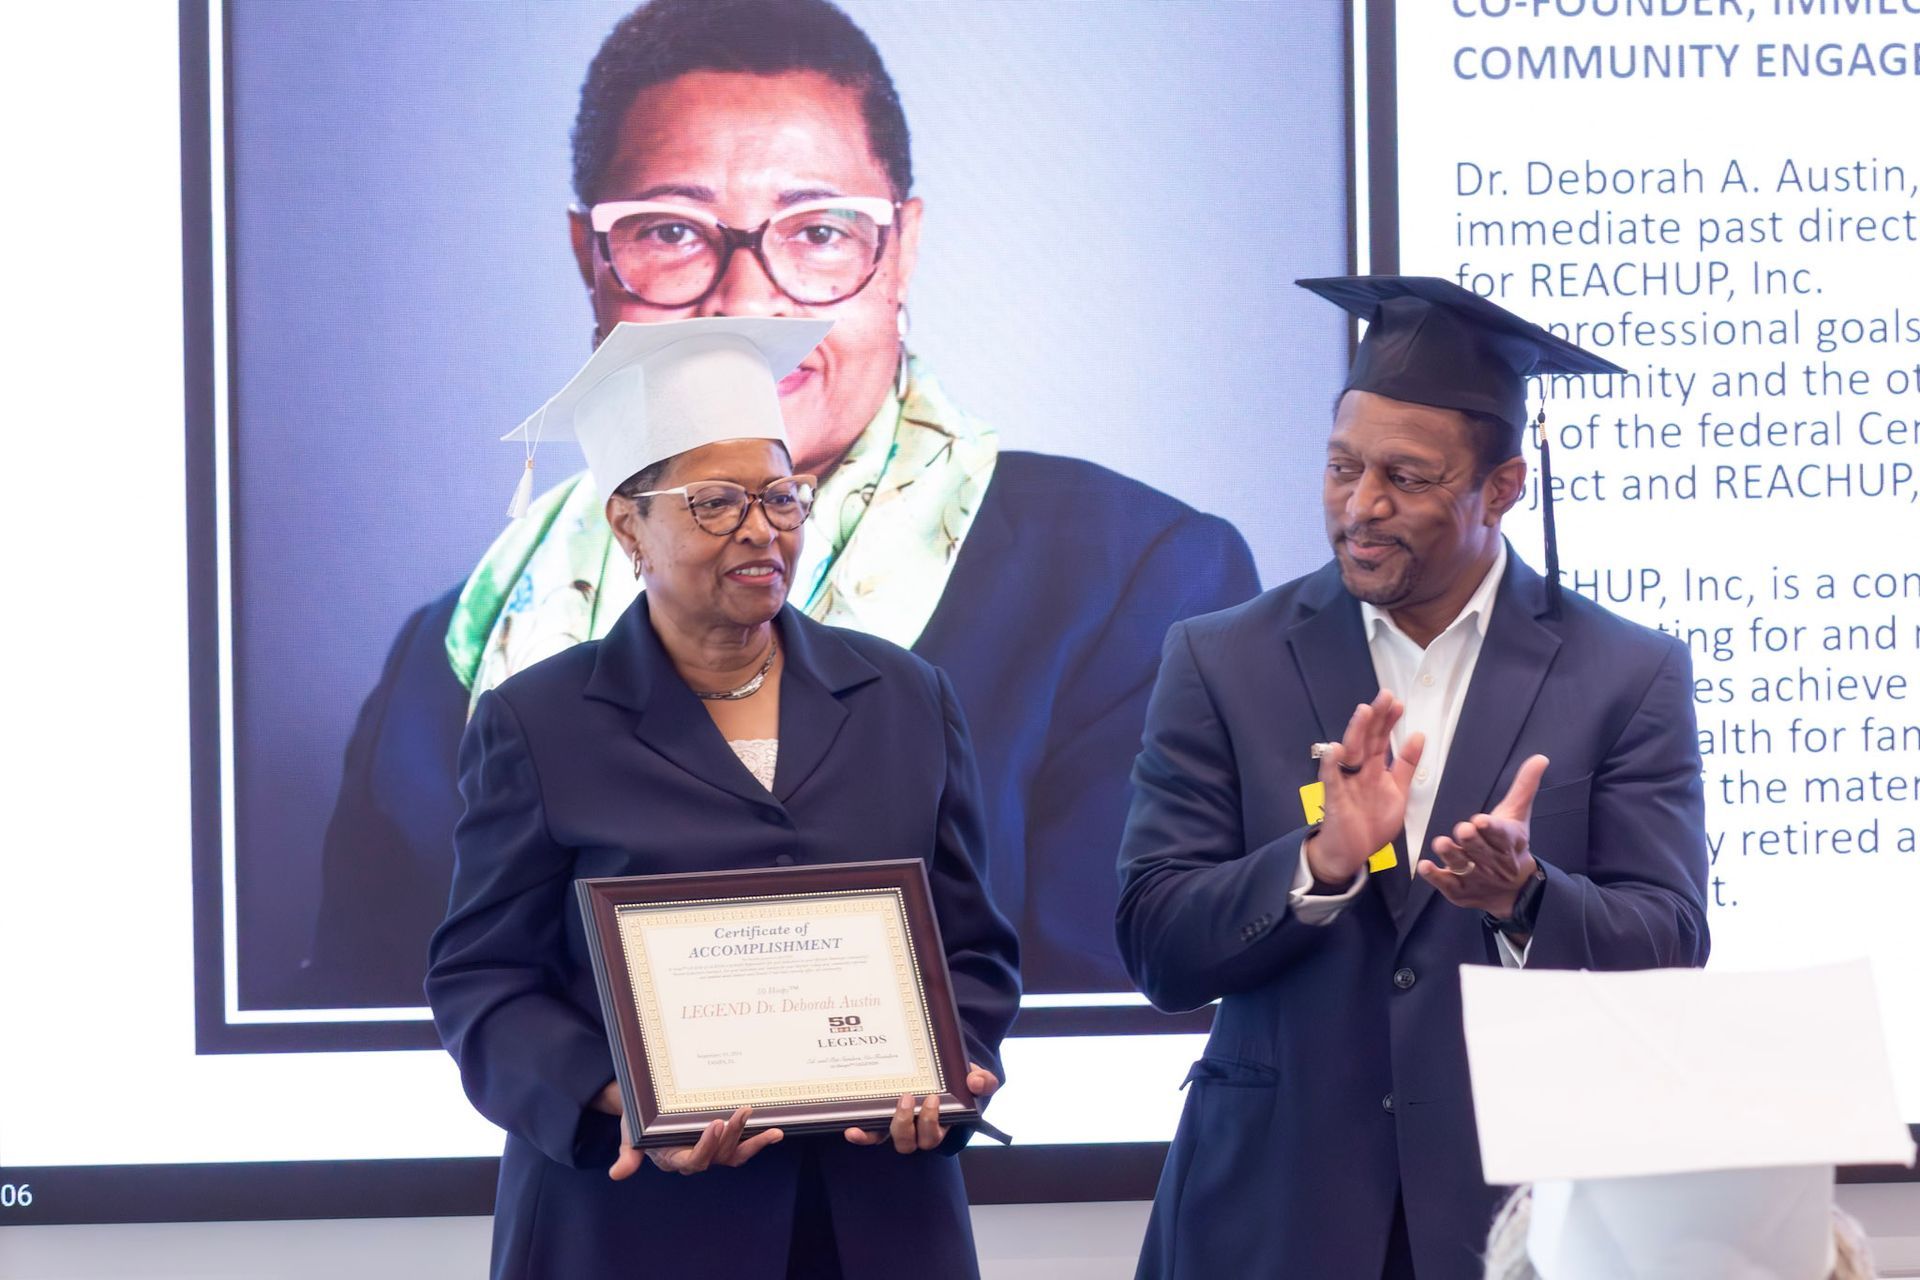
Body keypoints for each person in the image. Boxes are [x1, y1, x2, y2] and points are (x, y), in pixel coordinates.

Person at [306, 0, 1259, 1009]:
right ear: (592, 259)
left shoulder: (1132, 586)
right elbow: (372, 1045)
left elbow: (1118, 1024)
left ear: (901, 254)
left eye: (818, 231)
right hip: (565, 1169)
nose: (745, 305)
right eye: (671, 231)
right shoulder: (446, 656)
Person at [1114, 275, 1712, 1279]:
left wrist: (1525, 898)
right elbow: (1157, 945)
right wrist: (1318, 862)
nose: (1362, 506)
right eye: (1342, 466)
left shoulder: (1626, 673)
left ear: (1503, 487)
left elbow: (1669, 946)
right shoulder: (1222, 658)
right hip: (1272, 1215)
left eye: (1408, 476)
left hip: (1521, 1220)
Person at [424, 315, 1020, 1279]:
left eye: (781, 499)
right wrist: (618, 1094)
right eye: (714, 504)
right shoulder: (539, 723)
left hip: (876, 1224)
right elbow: (481, 983)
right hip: (634, 1231)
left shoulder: (905, 698)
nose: (759, 530)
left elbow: (973, 949)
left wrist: (951, 1069)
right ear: (628, 528)